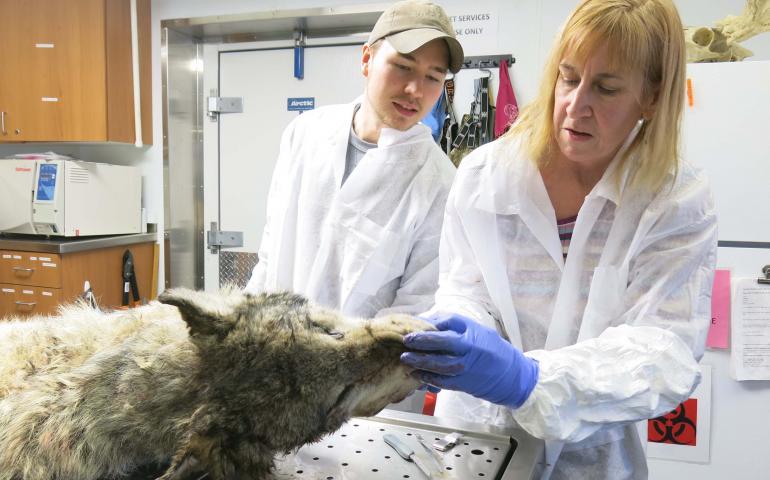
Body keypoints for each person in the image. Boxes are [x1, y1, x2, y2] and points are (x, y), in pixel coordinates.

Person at [400, 0, 718, 479]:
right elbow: (467, 288)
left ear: (651, 97)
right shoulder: (487, 175)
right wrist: (462, 331)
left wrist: (530, 381)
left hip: (590, 456)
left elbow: (664, 352)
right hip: (474, 440)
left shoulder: (673, 199)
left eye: (606, 88)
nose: (576, 104)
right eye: (569, 78)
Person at [244, 0, 463, 317]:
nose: (415, 89)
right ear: (367, 59)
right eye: (403, 66)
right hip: (272, 350)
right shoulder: (305, 135)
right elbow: (271, 253)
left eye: (433, 77)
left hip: (358, 365)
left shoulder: (439, 184)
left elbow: (417, 308)